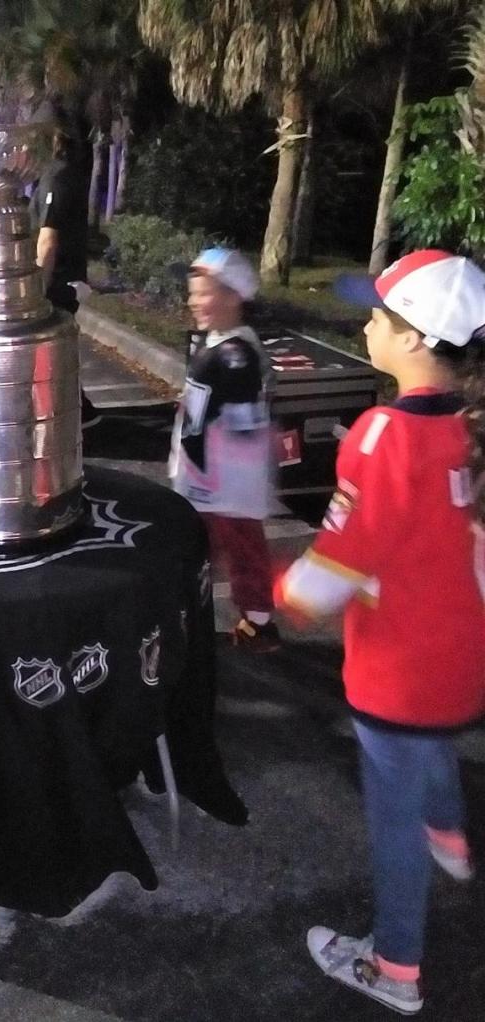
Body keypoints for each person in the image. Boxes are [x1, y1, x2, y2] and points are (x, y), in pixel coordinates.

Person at [276, 250, 485, 1016]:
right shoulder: (466, 427)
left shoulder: (379, 435)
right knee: (430, 746)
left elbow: (344, 551)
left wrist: (290, 597)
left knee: (391, 813)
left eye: (376, 317)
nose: (366, 326)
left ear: (416, 339)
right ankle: (454, 842)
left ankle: (395, 967)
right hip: (461, 650)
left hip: (397, 662)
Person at [169, 247, 279, 651]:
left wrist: (189, 472)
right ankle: (256, 621)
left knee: (211, 548)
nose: (194, 301)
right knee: (238, 547)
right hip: (225, 480)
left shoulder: (228, 356)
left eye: (204, 293)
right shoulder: (231, 346)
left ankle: (250, 623)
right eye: (192, 293)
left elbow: (198, 424)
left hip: (217, 481)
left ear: (234, 297)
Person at [29, 119, 98, 427]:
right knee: (53, 349)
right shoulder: (60, 174)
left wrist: (36, 291)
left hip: (59, 280)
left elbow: (48, 239)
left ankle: (76, 412)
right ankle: (78, 409)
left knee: (46, 347)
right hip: (66, 276)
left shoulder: (56, 177)